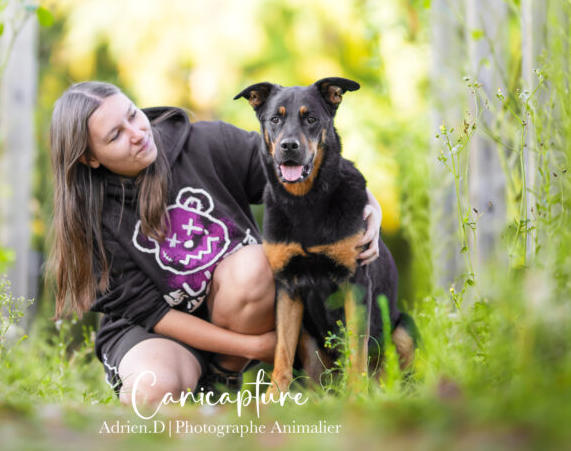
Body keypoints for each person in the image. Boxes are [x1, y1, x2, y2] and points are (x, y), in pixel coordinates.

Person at [45, 81, 382, 406]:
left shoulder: (205, 143)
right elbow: (156, 314)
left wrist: (370, 204)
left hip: (237, 303)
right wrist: (260, 346)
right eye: (115, 136)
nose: (137, 134)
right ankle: (193, 385)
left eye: (133, 115)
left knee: (259, 264)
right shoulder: (93, 220)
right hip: (155, 332)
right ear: (90, 158)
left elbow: (302, 164)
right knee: (150, 395)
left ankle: (223, 382)